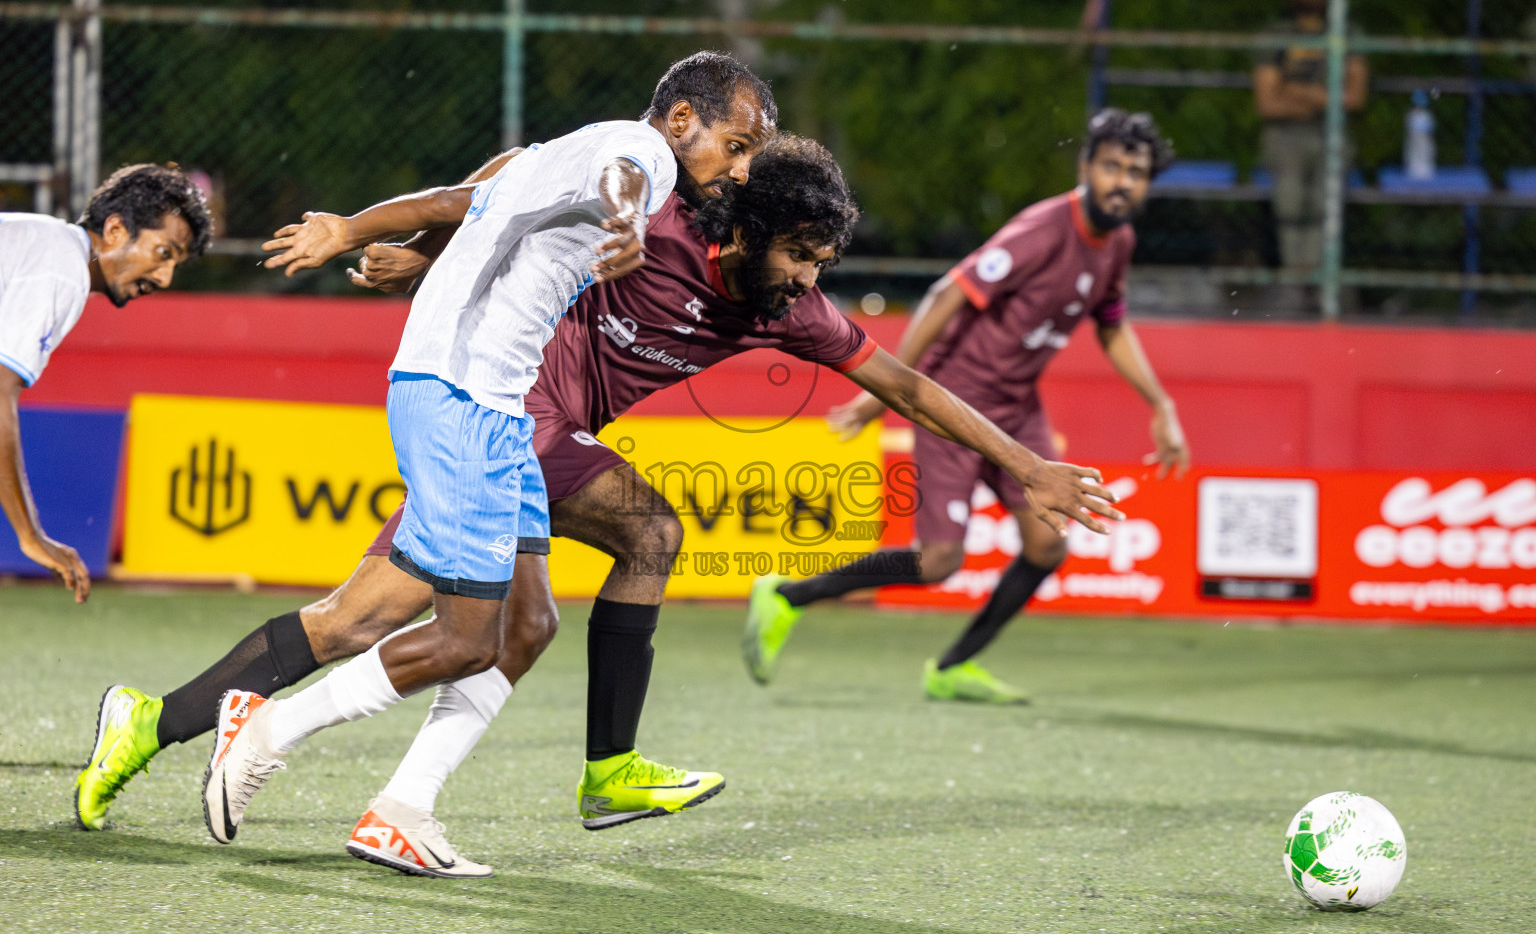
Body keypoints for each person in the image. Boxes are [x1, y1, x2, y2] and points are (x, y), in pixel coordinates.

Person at [77, 135, 1123, 877]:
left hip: (524, 438)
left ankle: (179, 731)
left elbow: (905, 382)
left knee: (397, 621)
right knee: (648, 530)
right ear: (748, 227)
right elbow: (498, 195)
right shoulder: (651, 215)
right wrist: (401, 247)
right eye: (801, 253)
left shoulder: (785, 308)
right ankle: (598, 768)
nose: (811, 278)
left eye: (820, 263)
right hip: (505, 415)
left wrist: (1026, 467)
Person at [741, 109, 1189, 704]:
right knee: (941, 560)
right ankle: (786, 597)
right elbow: (946, 293)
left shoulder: (1118, 242)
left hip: (1018, 405)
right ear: (1086, 167)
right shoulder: (1043, 229)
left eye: (1135, 172)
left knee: (1047, 545)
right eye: (1111, 166)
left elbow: (1110, 325)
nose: (1122, 182)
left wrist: (1160, 404)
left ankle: (953, 666)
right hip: (958, 397)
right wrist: (886, 391)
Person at [1, 164, 210, 602]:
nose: (165, 278)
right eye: (163, 252)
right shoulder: (60, 270)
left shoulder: (48, 247)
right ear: (115, 229)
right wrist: (29, 535)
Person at [1253, 0, 1368, 282]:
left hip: (1332, 134)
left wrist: (1299, 91)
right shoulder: (1276, 34)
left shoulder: (1346, 31)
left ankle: (1320, 283)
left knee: (1324, 202)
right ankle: (1297, 280)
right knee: (1289, 198)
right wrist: (1327, 98)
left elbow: (1355, 97)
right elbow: (1268, 103)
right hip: (1285, 135)